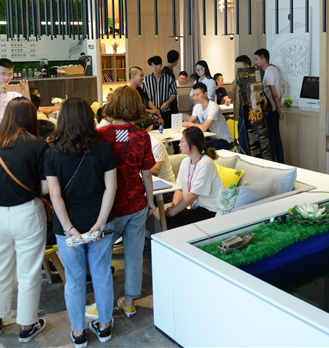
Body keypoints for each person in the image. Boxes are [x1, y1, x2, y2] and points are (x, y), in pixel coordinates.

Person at [45, 97, 117, 347]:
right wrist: (101, 221)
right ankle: (104, 328)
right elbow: (111, 187)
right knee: (101, 275)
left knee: (74, 280)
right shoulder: (103, 149)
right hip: (100, 222)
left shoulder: (52, 152)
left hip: (67, 228)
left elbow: (55, 195)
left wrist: (68, 227)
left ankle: (78, 333)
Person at [0, 98, 48, 342]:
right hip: (27, 212)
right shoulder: (38, 145)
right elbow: (45, 187)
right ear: (30, 117)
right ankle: (27, 326)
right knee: (29, 272)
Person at [92, 86, 156, 319]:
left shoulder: (100, 135)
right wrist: (150, 202)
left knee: (101, 255)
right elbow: (146, 173)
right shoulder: (142, 136)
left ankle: (102, 304)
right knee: (134, 253)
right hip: (136, 203)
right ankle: (129, 302)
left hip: (109, 207)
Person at [166, 127, 225, 228]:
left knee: (175, 219)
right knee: (169, 217)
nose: (179, 144)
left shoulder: (206, 163)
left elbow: (193, 194)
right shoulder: (185, 162)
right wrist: (173, 207)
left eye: (182, 141)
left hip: (210, 208)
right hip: (196, 207)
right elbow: (179, 189)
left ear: (192, 144)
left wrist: (173, 212)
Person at [254, 49, 284, 163]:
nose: (256, 62)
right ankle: (280, 163)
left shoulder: (269, 72)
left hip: (272, 111)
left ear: (263, 60)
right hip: (275, 110)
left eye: (257, 59)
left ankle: (275, 165)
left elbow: (274, 94)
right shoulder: (274, 70)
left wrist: (279, 109)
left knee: (271, 141)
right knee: (276, 139)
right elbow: (279, 92)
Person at [183, 82, 233, 151]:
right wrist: (189, 124)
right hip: (211, 137)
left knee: (198, 146)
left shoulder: (214, 107)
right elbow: (191, 122)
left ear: (205, 94)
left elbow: (203, 127)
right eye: (194, 95)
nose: (195, 98)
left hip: (225, 141)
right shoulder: (197, 106)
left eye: (197, 95)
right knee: (191, 143)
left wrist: (188, 124)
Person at [0, 58, 30, 123]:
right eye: (3, 74)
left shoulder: (13, 89)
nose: (7, 78)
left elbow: (27, 109)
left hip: (10, 126)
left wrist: (26, 93)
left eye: (10, 75)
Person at [143, 55, 177, 128]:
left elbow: (174, 93)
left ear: (161, 65)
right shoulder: (146, 80)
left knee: (167, 132)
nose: (155, 67)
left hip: (166, 111)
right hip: (153, 113)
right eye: (152, 65)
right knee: (154, 133)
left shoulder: (169, 78)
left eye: (157, 65)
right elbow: (145, 96)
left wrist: (168, 103)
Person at [163, 50, 181, 119]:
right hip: (169, 105)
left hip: (170, 104)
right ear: (176, 60)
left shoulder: (167, 70)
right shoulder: (166, 72)